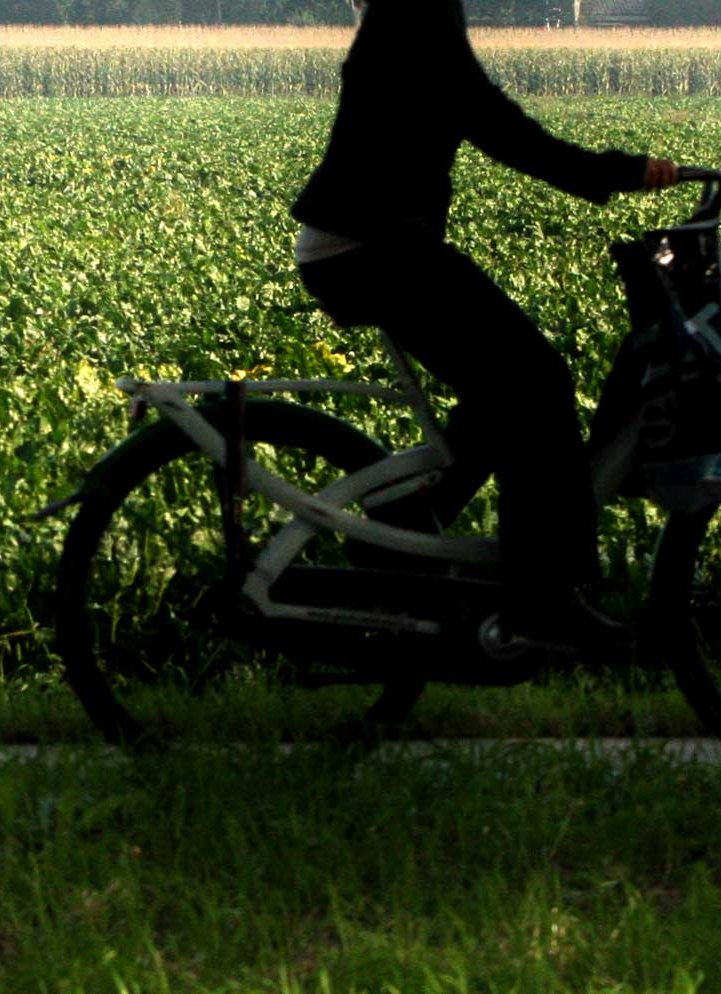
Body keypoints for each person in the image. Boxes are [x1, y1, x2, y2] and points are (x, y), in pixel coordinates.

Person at [292, 0, 678, 655]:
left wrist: (606, 172)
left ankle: (413, 521)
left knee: (508, 391)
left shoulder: (415, 10)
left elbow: (480, 113)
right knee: (537, 381)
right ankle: (545, 601)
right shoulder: (418, 11)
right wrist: (612, 170)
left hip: (374, 245)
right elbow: (494, 124)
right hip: (373, 249)